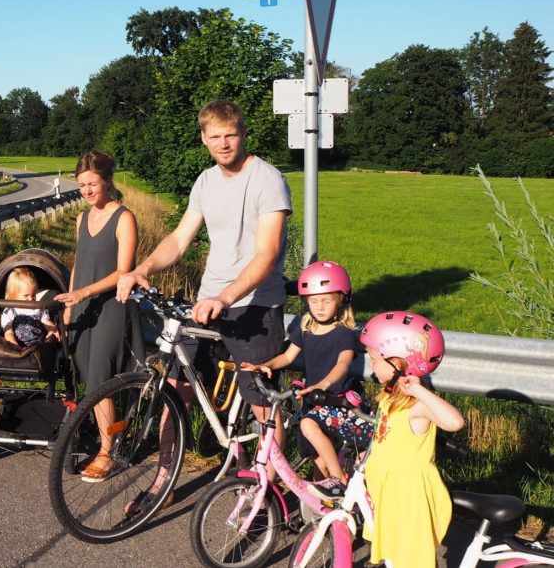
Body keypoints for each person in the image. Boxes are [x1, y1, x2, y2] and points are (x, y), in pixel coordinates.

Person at [116, 99, 292, 488]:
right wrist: (142, 268)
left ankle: (269, 493)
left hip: (254, 306)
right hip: (206, 304)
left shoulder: (267, 179)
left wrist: (226, 297)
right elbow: (179, 240)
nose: (224, 144)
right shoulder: (206, 181)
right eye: (215, 137)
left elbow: (268, 254)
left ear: (243, 133)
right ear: (204, 139)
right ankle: (162, 484)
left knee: (263, 405)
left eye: (230, 135)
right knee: (176, 391)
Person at [241, 260, 373, 497]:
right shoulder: (305, 330)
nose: (320, 307)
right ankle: (324, 508)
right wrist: (265, 366)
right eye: (313, 301)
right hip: (314, 400)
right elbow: (288, 356)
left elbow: (343, 364)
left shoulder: (343, 333)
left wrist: (324, 384)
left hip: (338, 401)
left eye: (326, 300)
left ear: (341, 299)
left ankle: (339, 478)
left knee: (307, 426)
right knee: (316, 459)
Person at [55, 149, 138, 483]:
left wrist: (84, 294)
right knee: (87, 375)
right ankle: (103, 436)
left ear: (107, 181)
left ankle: (107, 452)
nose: (87, 191)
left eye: (93, 184)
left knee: (102, 379)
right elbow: (79, 266)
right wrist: (70, 306)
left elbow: (123, 272)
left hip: (111, 308)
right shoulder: (81, 218)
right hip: (84, 307)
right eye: (82, 185)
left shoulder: (124, 218)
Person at [360, 311, 465, 568]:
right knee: (394, 557)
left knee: (411, 559)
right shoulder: (388, 398)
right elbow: (385, 436)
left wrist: (418, 389)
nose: (369, 362)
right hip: (389, 492)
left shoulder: (417, 405)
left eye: (374, 358)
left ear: (398, 362)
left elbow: (455, 422)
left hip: (409, 498)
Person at [1, 267, 58, 347]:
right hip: (18, 346)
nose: (31, 299)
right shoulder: (10, 311)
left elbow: (47, 322)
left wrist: (52, 329)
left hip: (39, 346)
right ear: (13, 295)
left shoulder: (38, 307)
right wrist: (15, 346)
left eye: (33, 295)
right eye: (26, 295)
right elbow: (8, 332)